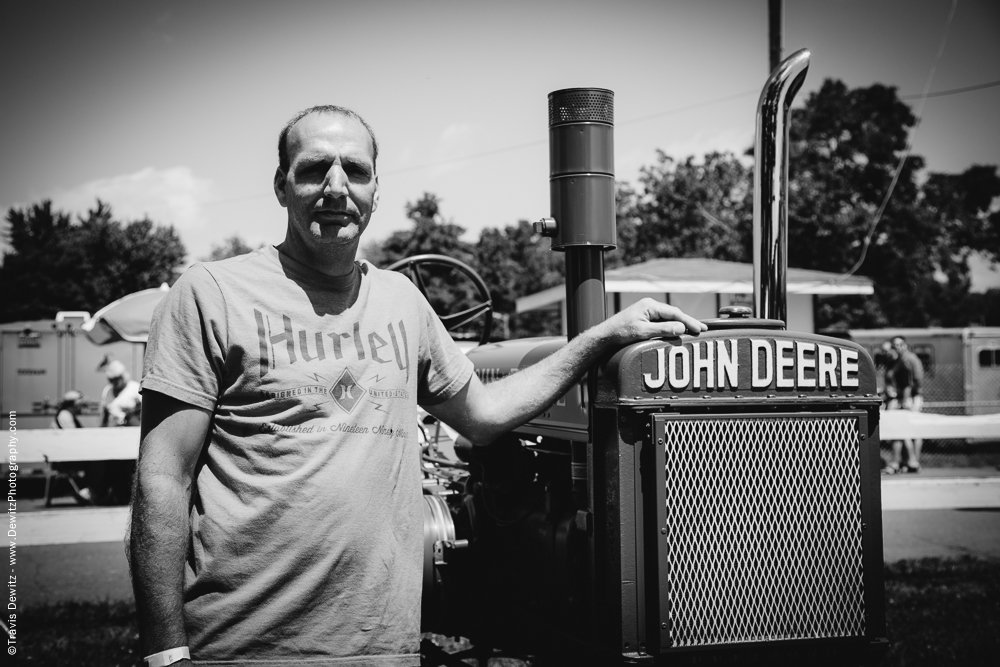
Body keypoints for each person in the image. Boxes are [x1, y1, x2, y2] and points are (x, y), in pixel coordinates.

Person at [128, 105, 707, 667]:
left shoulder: (403, 302)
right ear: (281, 185)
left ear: (376, 189)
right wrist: (165, 652)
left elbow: (481, 416)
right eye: (312, 169)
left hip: (383, 645)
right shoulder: (211, 293)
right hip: (241, 646)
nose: (335, 187)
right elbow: (162, 479)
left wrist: (603, 337)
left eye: (354, 170)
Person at [889, 335, 925, 473]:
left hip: (911, 398)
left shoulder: (910, 360)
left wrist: (906, 399)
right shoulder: (898, 361)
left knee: (910, 431)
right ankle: (910, 462)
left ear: (905, 345)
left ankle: (913, 461)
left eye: (899, 345)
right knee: (905, 431)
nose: (897, 348)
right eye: (894, 345)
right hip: (904, 398)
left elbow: (915, 381)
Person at [100, 360, 142, 427]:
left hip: (132, 426)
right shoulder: (107, 390)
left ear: (123, 376)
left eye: (116, 379)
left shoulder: (134, 387)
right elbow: (104, 413)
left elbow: (143, 408)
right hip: (113, 428)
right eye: (111, 380)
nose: (114, 382)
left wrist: (131, 413)